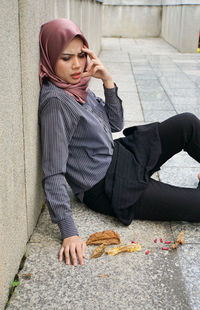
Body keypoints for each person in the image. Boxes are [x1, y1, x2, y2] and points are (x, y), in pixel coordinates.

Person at [39, 18, 200, 267]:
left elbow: (116, 124)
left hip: (119, 155)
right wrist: (69, 231)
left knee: (187, 123)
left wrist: (107, 81)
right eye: (66, 58)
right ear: (49, 56)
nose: (77, 65)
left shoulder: (76, 86)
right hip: (107, 187)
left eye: (81, 55)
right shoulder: (56, 102)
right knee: (195, 205)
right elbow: (53, 171)